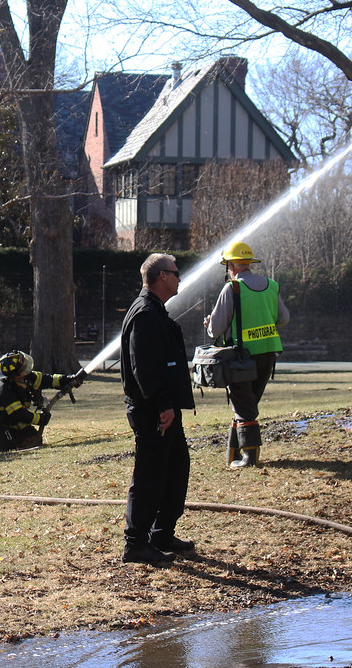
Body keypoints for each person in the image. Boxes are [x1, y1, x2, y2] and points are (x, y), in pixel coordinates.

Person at [120, 253, 195, 564]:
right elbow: (145, 368)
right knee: (150, 475)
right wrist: (164, 405)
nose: (179, 278)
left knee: (176, 469)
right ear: (162, 276)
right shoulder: (146, 315)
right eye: (175, 273)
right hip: (153, 410)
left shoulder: (155, 312)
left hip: (164, 409)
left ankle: (161, 533)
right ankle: (135, 543)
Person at [203, 241, 290, 469]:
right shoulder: (272, 285)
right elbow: (284, 318)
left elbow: (216, 328)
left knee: (243, 404)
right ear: (249, 263)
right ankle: (233, 452)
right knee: (246, 403)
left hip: (241, 356)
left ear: (231, 265)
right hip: (268, 352)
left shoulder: (232, 288)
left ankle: (249, 458)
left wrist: (209, 324)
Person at [0, 351, 84, 456]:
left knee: (34, 440)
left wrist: (70, 379)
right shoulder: (4, 391)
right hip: (1, 427)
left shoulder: (26, 377)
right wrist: (41, 419)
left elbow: (50, 380)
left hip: (18, 425)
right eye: (23, 370)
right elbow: (20, 415)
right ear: (13, 377)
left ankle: (14, 440)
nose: (27, 371)